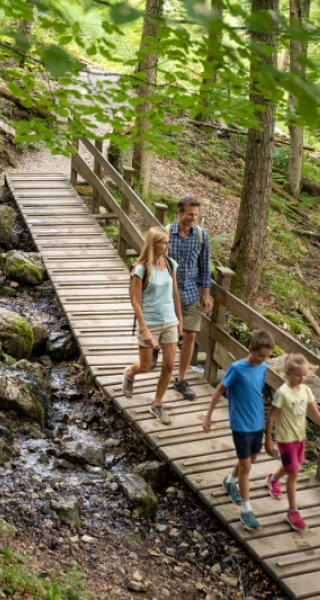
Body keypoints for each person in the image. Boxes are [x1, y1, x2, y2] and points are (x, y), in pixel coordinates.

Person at [202, 330, 275, 531]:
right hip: (240, 424)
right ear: (250, 349)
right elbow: (219, 390)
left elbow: (256, 392)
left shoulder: (263, 368)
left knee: (251, 460)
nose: (263, 360)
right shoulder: (237, 368)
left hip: (257, 423)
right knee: (246, 467)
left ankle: (229, 480)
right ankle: (246, 510)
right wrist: (208, 416)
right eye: (260, 355)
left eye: (267, 357)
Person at [123, 227, 182, 426]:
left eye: (167, 242)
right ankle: (130, 373)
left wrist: (179, 320)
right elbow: (136, 302)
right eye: (164, 242)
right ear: (154, 244)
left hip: (169, 321)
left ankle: (157, 405)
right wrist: (145, 328)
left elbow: (175, 294)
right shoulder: (141, 270)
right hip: (150, 322)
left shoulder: (170, 265)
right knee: (146, 367)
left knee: (168, 365)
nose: (168, 246)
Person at [264, 354, 320, 532]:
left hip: (300, 438)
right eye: (298, 375)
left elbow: (315, 414)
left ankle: (273, 480)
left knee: (291, 467)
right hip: (285, 439)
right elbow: (271, 416)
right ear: (287, 373)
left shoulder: (306, 390)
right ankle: (293, 512)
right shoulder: (282, 393)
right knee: (294, 473)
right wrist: (268, 440)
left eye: (304, 375)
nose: (302, 378)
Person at [165, 197, 213, 400]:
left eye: (196, 215)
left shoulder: (202, 236)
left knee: (190, 334)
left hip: (192, 293)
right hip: (167, 294)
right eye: (189, 214)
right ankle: (161, 362)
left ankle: (181, 379)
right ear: (179, 212)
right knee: (167, 336)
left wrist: (207, 296)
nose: (193, 218)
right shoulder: (165, 233)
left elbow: (205, 267)